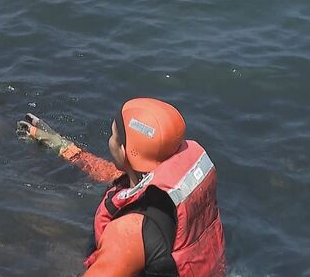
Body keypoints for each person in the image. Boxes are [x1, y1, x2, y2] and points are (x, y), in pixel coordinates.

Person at [18, 98, 226, 276]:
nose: (110, 141)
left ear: (125, 151)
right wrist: (57, 143)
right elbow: (109, 173)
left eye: (113, 136)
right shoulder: (175, 185)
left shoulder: (130, 231)